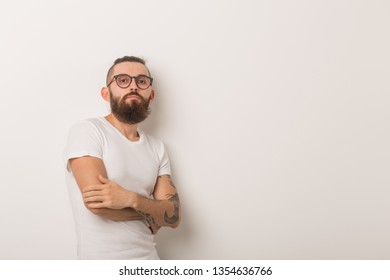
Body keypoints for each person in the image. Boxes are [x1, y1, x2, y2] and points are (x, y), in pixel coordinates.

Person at [63, 56, 180, 259]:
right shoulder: (88, 131)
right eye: (123, 80)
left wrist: (130, 199)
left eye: (141, 81)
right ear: (106, 93)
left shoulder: (157, 147)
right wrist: (153, 213)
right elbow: (98, 205)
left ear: (151, 95)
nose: (133, 86)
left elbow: (174, 217)